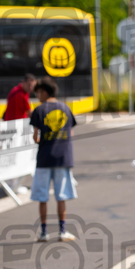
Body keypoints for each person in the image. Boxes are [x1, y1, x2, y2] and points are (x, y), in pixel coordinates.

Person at [29, 78, 77, 243]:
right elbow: (70, 133)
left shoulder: (39, 110)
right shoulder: (65, 108)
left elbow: (36, 137)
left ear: (44, 92)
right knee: (61, 196)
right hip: (63, 157)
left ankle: (43, 232)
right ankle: (62, 230)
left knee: (42, 197)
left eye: (38, 93)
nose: (37, 96)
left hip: (44, 158)